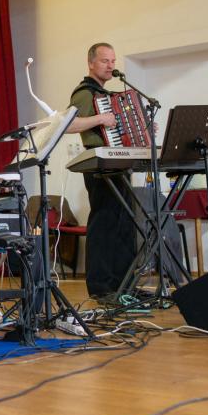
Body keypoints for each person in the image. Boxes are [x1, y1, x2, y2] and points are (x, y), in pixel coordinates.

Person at [68, 42, 138, 301]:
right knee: (105, 223)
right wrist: (100, 118)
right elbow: (69, 124)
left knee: (124, 224)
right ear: (91, 63)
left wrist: (140, 128)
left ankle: (123, 286)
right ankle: (101, 287)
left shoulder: (107, 94)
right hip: (99, 165)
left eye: (113, 61)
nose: (111, 66)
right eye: (105, 61)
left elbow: (117, 128)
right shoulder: (85, 93)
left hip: (117, 163)